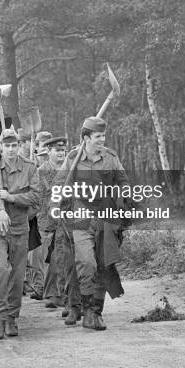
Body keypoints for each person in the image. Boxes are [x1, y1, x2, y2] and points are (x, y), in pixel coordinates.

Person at [53, 116, 129, 331]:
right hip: (81, 218)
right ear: (86, 138)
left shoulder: (111, 158)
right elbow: (58, 185)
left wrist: (123, 197)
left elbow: (123, 183)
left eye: (103, 136)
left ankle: (95, 313)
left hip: (106, 218)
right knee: (86, 263)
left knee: (104, 265)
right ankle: (85, 309)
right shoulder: (73, 159)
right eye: (97, 137)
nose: (102, 140)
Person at [0, 128, 40, 339]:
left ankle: (11, 317)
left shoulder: (30, 167)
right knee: (0, 270)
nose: (10, 149)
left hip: (20, 228)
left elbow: (36, 196)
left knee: (16, 277)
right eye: (6, 145)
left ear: (19, 145)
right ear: (0, 146)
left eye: (14, 145)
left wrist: (12, 198)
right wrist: (0, 211)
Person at [37, 136, 67, 308]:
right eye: (57, 150)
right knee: (48, 259)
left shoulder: (69, 170)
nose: (61, 153)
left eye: (63, 150)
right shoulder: (41, 172)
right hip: (46, 222)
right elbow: (40, 198)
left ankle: (55, 294)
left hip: (65, 220)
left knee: (60, 257)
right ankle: (51, 293)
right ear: (48, 152)